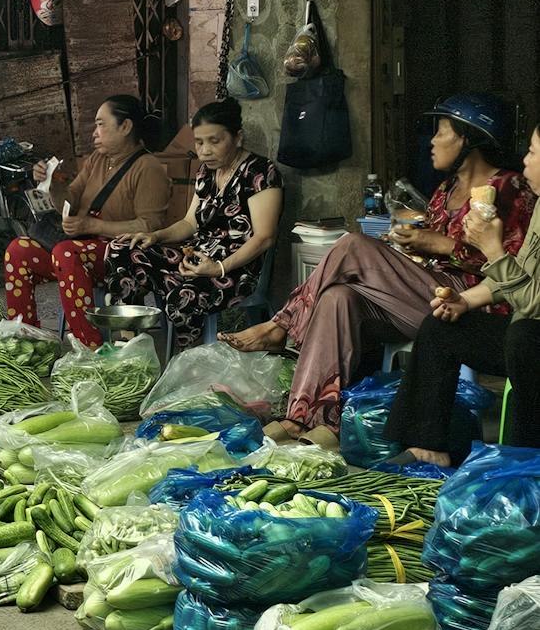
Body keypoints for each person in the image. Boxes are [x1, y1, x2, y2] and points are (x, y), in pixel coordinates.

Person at [226, 93, 533, 437]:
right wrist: (409, 247)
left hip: (469, 303)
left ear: (468, 139)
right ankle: (306, 419)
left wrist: (445, 245)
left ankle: (282, 325)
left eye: (441, 132)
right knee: (337, 298)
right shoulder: (445, 189)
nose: (431, 141)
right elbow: (430, 253)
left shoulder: (510, 188)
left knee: (353, 245)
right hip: (423, 296)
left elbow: (514, 268)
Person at [387, 124, 540, 465]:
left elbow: (533, 302)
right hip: (524, 333)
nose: (524, 161)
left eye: (532, 152)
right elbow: (521, 276)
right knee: (441, 326)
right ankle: (427, 446)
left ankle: (520, 466)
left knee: (524, 334)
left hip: (531, 340)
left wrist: (493, 250)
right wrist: (464, 301)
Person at [101, 100, 282, 350]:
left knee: (182, 297)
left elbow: (264, 237)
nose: (205, 150)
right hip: (195, 259)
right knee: (121, 248)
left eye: (214, 141)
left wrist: (218, 268)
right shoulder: (206, 172)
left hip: (236, 271)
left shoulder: (260, 172)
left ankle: (189, 358)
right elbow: (189, 222)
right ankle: (128, 342)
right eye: (199, 142)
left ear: (237, 137)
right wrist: (155, 236)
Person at [4, 96, 171, 346]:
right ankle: (25, 338)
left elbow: (150, 226)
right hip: (78, 249)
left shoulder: (148, 168)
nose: (95, 133)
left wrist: (93, 226)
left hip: (119, 256)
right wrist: (53, 183)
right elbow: (69, 202)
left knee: (67, 253)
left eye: (101, 125)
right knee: (18, 250)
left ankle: (89, 345)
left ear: (125, 127)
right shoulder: (96, 161)